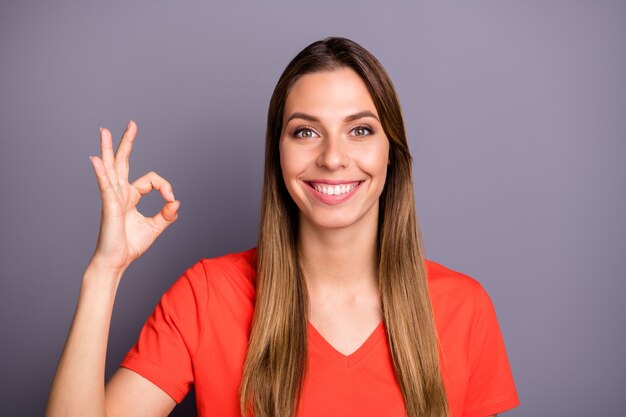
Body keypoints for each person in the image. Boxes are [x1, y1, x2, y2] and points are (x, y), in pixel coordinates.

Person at [46, 37, 519, 417]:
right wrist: (105, 272)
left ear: (391, 152)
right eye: (305, 131)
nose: (333, 158)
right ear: (278, 153)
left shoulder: (464, 307)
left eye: (360, 129)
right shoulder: (207, 295)